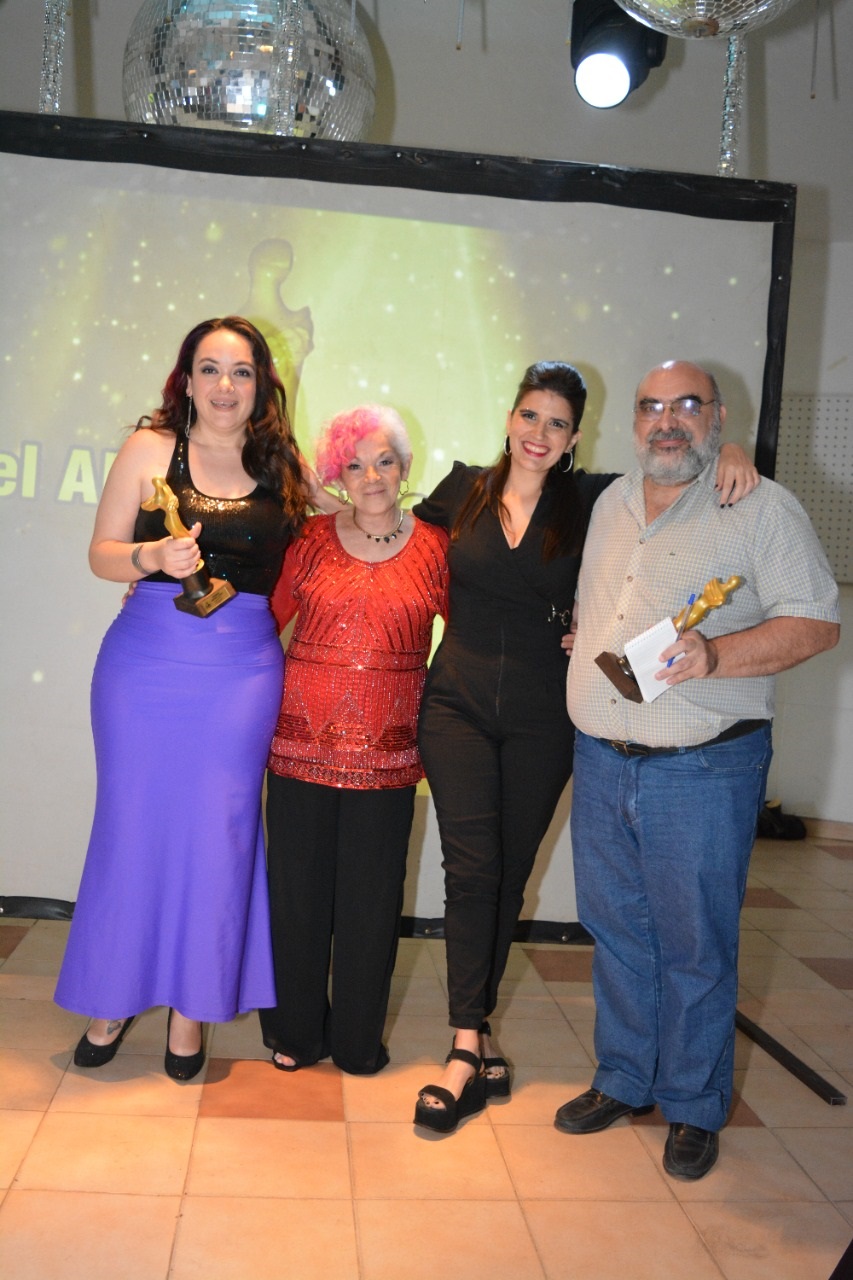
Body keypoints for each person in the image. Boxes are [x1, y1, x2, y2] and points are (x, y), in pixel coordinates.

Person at [411, 360, 759, 1133]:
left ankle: (479, 1036)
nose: (540, 434)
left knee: (509, 873)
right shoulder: (460, 489)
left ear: (575, 437)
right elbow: (386, 534)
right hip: (455, 705)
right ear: (510, 419)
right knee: (470, 870)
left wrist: (732, 453)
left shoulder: (594, 499)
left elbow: (678, 480)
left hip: (545, 716)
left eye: (557, 423)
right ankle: (464, 1045)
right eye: (529, 416)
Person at [555, 360, 839, 1179]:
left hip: (703, 768)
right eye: (651, 407)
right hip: (600, 759)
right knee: (616, 932)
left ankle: (691, 1104)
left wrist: (716, 655)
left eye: (686, 405)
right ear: (633, 421)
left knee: (694, 944)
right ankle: (624, 1078)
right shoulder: (610, 502)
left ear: (716, 418)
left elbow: (815, 623)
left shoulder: (759, 505)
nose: (666, 420)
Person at [55, 315, 309, 1081]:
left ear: (260, 384)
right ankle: (113, 998)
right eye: (210, 368)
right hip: (144, 666)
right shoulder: (149, 448)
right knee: (132, 829)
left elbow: (330, 543)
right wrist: (151, 555)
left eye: (240, 371)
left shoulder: (283, 464)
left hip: (241, 673)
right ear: (187, 379)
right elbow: (101, 554)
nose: (225, 385)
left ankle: (192, 1009)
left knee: (219, 837)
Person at [259, 405, 448, 1076]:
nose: (371, 477)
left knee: (371, 903)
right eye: (355, 465)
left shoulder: (436, 548)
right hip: (298, 748)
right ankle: (294, 1033)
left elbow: (475, 636)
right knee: (296, 897)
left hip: (389, 757)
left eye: (384, 461)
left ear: (405, 467)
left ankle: (358, 1042)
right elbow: (261, 620)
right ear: (337, 475)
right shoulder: (309, 538)